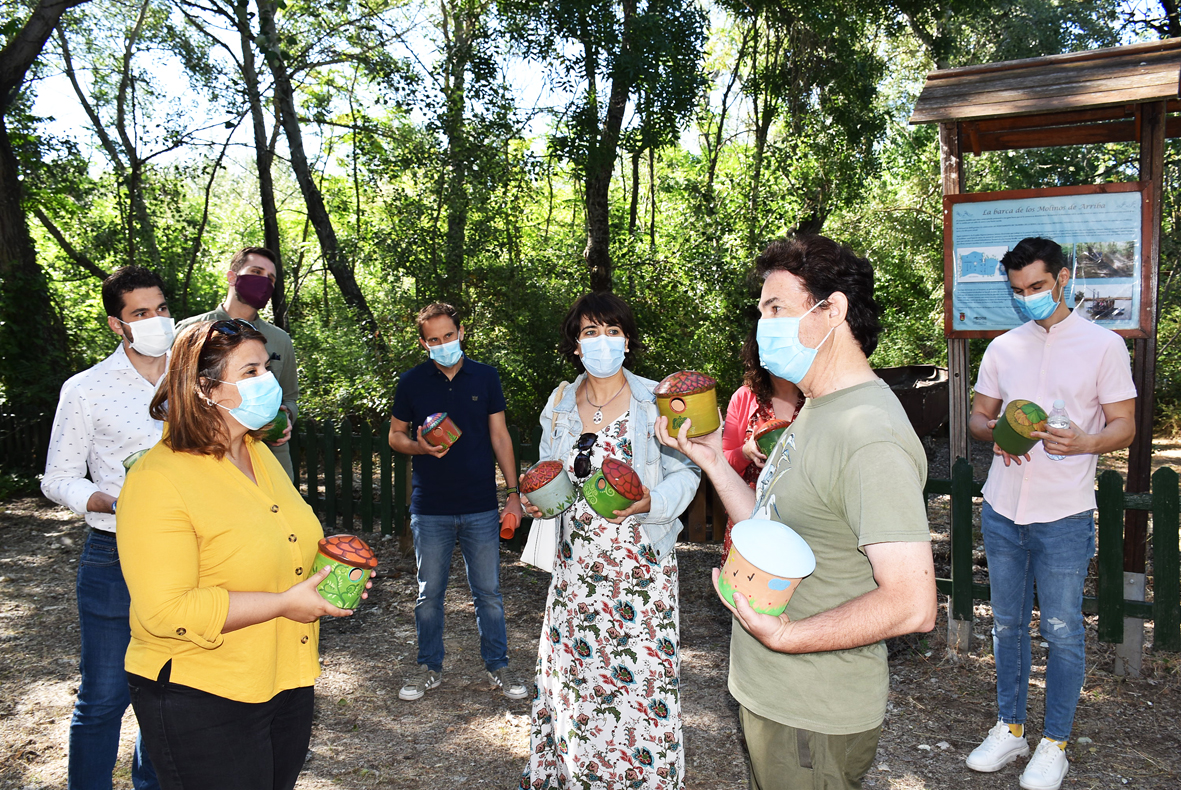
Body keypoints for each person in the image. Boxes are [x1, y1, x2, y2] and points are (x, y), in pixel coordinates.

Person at [659, 235, 937, 790]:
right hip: (775, 694)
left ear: (831, 310)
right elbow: (771, 524)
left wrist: (786, 637)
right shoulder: (818, 408)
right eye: (762, 310)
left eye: (776, 308)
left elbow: (912, 605)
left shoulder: (870, 435)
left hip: (814, 711)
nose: (763, 324)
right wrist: (714, 462)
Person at [117, 319, 365, 790]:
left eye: (266, 367)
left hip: (283, 680)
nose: (267, 381)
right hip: (200, 693)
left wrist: (332, 575)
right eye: (249, 371)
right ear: (205, 388)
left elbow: (285, 542)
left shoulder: (257, 452)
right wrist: (287, 603)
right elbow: (166, 610)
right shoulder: (158, 478)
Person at [965, 237, 1136, 790]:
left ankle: (1054, 743)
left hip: (1064, 512)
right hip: (1001, 508)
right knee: (1008, 625)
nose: (1028, 297)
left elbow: (1125, 426)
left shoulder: (1103, 345)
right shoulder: (1002, 348)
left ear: (1063, 277)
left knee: (1062, 630)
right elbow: (977, 420)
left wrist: (1087, 442)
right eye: (1018, 290)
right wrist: (999, 435)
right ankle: (1011, 729)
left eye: (1037, 286)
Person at [519, 292, 701, 790]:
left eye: (613, 331)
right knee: (578, 690)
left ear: (628, 341)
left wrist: (652, 502)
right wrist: (535, 500)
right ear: (576, 345)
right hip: (575, 576)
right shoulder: (558, 403)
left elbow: (687, 472)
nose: (603, 342)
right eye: (590, 332)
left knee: (642, 686)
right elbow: (545, 475)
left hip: (640, 572)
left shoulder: (654, 400)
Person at [41, 265, 167, 790]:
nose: (156, 320)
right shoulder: (86, 389)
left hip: (190, 555)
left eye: (161, 309)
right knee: (104, 698)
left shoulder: (199, 375)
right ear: (118, 325)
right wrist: (101, 499)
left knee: (165, 696)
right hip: (114, 554)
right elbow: (57, 477)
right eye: (141, 313)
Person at [388, 302, 528, 701]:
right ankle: (428, 666)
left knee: (489, 594)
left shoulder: (486, 377)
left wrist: (512, 493)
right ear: (423, 343)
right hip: (429, 507)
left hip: (481, 504)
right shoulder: (412, 381)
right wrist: (419, 446)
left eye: (448, 335)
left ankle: (498, 667)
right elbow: (395, 436)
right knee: (428, 595)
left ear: (461, 332)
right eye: (434, 339)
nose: (443, 344)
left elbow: (500, 436)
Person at [177, 247, 297, 480]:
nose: (264, 281)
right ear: (232, 277)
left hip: (270, 459)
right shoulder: (191, 331)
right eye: (256, 271)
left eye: (270, 278)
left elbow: (291, 397)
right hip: (207, 457)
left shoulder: (280, 339)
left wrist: (287, 416)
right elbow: (176, 398)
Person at [720, 323, 805, 558]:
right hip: (750, 518)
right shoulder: (744, 397)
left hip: (807, 521)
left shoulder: (817, 396)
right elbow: (723, 460)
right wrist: (745, 452)